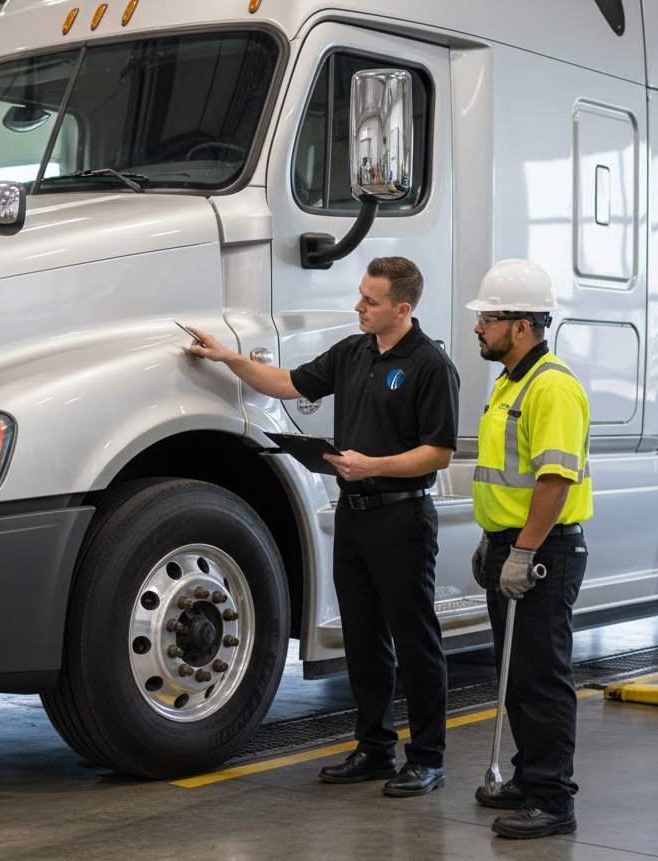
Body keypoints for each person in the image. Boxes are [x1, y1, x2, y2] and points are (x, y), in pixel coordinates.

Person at [186, 256, 459, 797]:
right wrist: (227, 358)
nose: (358, 307)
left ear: (402, 309)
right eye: (360, 296)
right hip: (354, 516)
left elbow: (438, 453)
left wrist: (373, 465)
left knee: (415, 641)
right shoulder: (353, 352)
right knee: (363, 639)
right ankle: (374, 748)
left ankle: (428, 758)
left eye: (371, 301)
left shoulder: (430, 365)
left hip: (402, 517)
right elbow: (287, 384)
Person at [467, 259, 593, 839]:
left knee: (541, 677)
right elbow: (508, 478)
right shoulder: (511, 382)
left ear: (522, 326)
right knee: (517, 675)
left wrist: (521, 552)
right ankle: (528, 776)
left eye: (488, 318)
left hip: (544, 552)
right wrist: (493, 539)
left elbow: (554, 480)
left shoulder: (552, 386)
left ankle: (552, 799)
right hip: (514, 545)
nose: (478, 327)